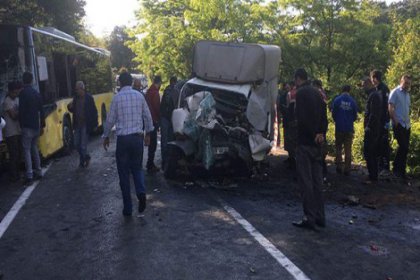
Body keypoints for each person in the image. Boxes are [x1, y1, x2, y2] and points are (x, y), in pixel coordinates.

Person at [103, 72, 154, 217]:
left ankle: (128, 208)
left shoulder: (117, 98)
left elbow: (110, 119)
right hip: (137, 138)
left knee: (124, 173)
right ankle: (141, 192)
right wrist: (148, 134)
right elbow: (147, 116)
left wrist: (106, 136)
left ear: (119, 83)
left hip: (123, 140)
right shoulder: (139, 96)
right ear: (131, 82)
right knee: (137, 168)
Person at [292, 68, 328, 231]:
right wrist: (321, 133)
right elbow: (324, 115)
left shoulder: (300, 94)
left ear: (298, 79)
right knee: (317, 181)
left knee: (306, 181)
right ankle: (321, 216)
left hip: (305, 142)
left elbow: (301, 118)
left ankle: (309, 217)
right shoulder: (318, 93)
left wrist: (311, 134)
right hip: (317, 144)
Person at [19, 72, 45, 185]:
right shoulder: (36, 93)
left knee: (27, 150)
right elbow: (41, 110)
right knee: (34, 148)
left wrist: (21, 125)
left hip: (27, 127)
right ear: (32, 80)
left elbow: (21, 111)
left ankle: (29, 174)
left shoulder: (23, 94)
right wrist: (42, 125)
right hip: (36, 125)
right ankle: (39, 171)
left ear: (23, 81)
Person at [67, 81, 98, 168]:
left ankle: (82, 161)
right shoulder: (75, 98)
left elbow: (94, 111)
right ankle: (86, 157)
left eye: (77, 89)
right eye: (76, 89)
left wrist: (95, 124)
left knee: (83, 145)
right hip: (77, 124)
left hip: (85, 124)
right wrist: (69, 107)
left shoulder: (89, 98)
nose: (76, 91)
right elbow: (72, 110)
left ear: (82, 89)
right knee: (76, 144)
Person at [389, 74, 412, 179]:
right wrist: (395, 121)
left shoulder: (408, 95)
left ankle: (400, 171)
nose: (407, 85)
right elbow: (390, 107)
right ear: (401, 81)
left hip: (407, 125)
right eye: (405, 82)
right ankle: (396, 169)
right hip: (399, 124)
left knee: (405, 149)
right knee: (403, 146)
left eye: (408, 83)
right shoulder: (395, 92)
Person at [332, 85, 358, 175]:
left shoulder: (337, 100)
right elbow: (355, 116)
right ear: (349, 91)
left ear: (342, 90)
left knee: (338, 147)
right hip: (349, 128)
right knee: (348, 149)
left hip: (339, 127)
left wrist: (337, 120)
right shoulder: (353, 101)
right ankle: (347, 169)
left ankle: (339, 167)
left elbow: (333, 113)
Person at [362, 78, 383, 184]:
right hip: (374, 128)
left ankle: (372, 176)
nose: (363, 88)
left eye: (364, 85)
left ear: (369, 84)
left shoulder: (374, 95)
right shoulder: (375, 94)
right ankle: (372, 175)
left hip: (372, 129)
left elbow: (373, 114)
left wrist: (368, 127)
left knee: (369, 152)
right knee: (371, 152)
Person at [370, 70, 391, 175]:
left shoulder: (383, 89)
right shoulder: (378, 89)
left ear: (374, 78)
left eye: (372, 78)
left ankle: (385, 167)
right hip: (377, 122)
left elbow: (386, 107)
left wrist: (386, 121)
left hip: (382, 122)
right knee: (377, 144)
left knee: (383, 144)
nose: (372, 81)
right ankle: (379, 166)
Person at [3, 81, 22, 181]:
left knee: (18, 153)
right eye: (14, 92)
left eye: (16, 92)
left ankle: (17, 174)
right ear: (10, 92)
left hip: (18, 130)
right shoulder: (7, 101)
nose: (15, 94)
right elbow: (13, 116)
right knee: (14, 155)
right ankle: (14, 176)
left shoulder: (17, 99)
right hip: (11, 132)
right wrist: (22, 112)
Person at [312, 79, 329, 181]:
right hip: (322, 126)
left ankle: (321, 173)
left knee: (317, 151)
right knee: (320, 150)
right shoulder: (323, 94)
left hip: (318, 127)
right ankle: (323, 173)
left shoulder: (317, 94)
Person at [145, 75, 162, 173]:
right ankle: (150, 164)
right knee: (153, 144)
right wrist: (159, 118)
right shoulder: (155, 93)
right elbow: (157, 107)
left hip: (148, 120)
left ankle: (149, 163)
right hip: (154, 120)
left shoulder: (148, 91)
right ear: (159, 83)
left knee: (151, 142)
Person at [160, 76, 177, 168]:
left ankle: (164, 161)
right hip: (171, 118)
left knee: (165, 140)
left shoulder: (166, 90)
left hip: (165, 118)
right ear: (174, 82)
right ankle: (168, 161)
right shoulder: (174, 91)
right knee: (170, 140)